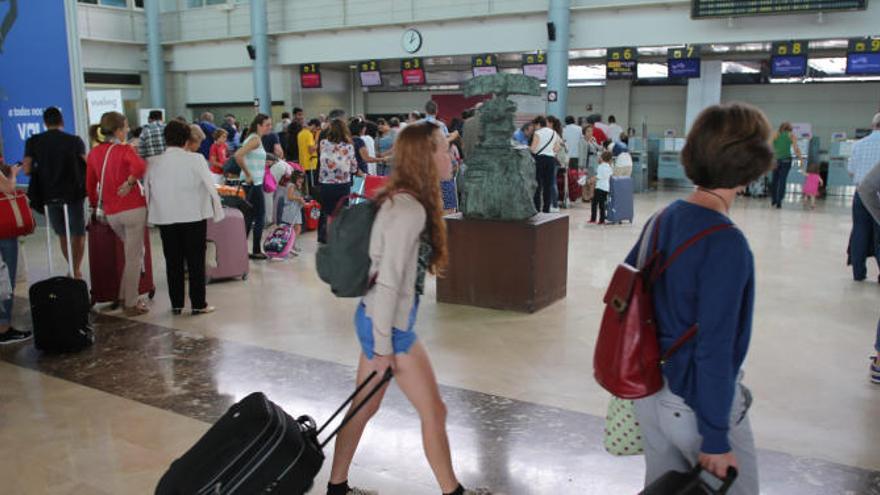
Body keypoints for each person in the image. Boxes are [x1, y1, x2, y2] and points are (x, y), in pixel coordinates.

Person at [327, 122, 490, 495]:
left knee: (363, 409)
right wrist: (384, 347)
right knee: (434, 412)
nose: (451, 155)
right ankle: (454, 492)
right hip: (390, 329)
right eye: (443, 148)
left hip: (375, 320)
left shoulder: (403, 199)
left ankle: (336, 489)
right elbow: (387, 283)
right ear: (425, 156)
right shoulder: (409, 209)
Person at [626, 102, 771, 495]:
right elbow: (715, 346)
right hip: (696, 404)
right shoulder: (726, 243)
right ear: (753, 163)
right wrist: (716, 437)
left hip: (651, 395)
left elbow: (629, 299)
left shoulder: (663, 219)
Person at [146, 120, 223, 315]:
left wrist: (150, 212)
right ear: (186, 139)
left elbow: (147, 190)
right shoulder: (196, 159)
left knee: (173, 262)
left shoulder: (153, 162)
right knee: (196, 262)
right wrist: (218, 211)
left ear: (166, 138)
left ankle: (177, 304)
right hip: (193, 217)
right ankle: (198, 304)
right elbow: (210, 187)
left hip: (165, 218)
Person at [85, 111, 149, 316]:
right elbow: (140, 166)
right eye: (127, 126)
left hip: (112, 213)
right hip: (133, 209)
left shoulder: (94, 153)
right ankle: (131, 302)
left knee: (131, 254)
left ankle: (124, 295)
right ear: (119, 130)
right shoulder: (124, 150)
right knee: (134, 257)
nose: (129, 130)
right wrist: (130, 182)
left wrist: (97, 205)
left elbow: (90, 185)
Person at [23, 107, 87, 279]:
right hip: (73, 194)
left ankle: (73, 270)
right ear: (62, 121)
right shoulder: (74, 141)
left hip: (48, 195)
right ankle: (76, 270)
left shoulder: (34, 141)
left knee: (62, 234)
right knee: (78, 233)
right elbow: (87, 163)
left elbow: (27, 168)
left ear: (45, 123)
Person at [234, 113, 274, 260]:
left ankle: (240, 249)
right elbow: (238, 155)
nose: (270, 127)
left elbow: (249, 158)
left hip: (251, 183)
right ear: (258, 125)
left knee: (249, 217)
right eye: (267, 125)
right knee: (259, 216)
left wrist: (262, 164)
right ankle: (256, 250)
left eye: (270, 124)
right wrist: (249, 174)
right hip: (253, 183)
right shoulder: (255, 139)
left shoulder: (253, 138)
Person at [847, 112, 880, 281]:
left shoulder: (859, 144)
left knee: (859, 230)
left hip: (861, 194)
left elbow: (851, 171)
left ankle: (858, 273)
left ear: (873, 125)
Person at [0, 160, 31, 344]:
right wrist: (12, 173)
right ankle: (4, 327)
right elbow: (9, 188)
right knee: (5, 279)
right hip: (3, 230)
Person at [317, 119, 360, 244]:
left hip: (326, 183)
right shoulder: (349, 146)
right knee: (342, 211)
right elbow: (353, 166)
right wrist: (354, 170)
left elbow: (322, 159)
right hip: (343, 183)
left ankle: (324, 236)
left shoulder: (323, 143)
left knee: (326, 210)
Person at [530, 116, 560, 214]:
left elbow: (533, 149)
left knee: (537, 185)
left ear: (538, 124)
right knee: (548, 185)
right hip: (551, 160)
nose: (535, 128)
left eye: (535, 125)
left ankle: (537, 209)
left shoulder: (537, 133)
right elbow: (556, 148)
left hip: (539, 160)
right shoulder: (554, 133)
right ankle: (546, 209)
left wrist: (528, 148)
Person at [769, 122, 803, 209]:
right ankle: (779, 201)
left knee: (775, 180)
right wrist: (801, 159)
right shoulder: (791, 135)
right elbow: (796, 149)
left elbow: (768, 146)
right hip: (786, 160)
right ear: (789, 129)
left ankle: (773, 200)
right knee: (782, 180)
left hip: (776, 160)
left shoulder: (775, 134)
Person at [280, 171, 305, 255]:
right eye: (299, 177)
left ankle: (292, 245)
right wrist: (299, 199)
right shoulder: (291, 185)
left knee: (294, 228)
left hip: (295, 208)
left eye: (302, 178)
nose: (301, 179)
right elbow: (290, 197)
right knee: (297, 228)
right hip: (291, 209)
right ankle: (290, 246)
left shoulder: (296, 185)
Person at [590, 151, 613, 224]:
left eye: (600, 157)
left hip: (599, 187)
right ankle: (601, 220)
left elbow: (598, 177)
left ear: (602, 158)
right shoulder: (610, 167)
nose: (599, 158)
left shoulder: (600, 166)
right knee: (602, 204)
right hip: (606, 188)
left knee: (594, 203)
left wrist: (590, 180)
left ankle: (593, 219)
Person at [298, 118, 320, 193]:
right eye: (316, 129)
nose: (316, 131)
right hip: (310, 163)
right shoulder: (309, 134)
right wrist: (317, 144)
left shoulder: (300, 133)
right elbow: (310, 150)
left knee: (306, 187)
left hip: (303, 163)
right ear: (313, 126)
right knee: (312, 187)